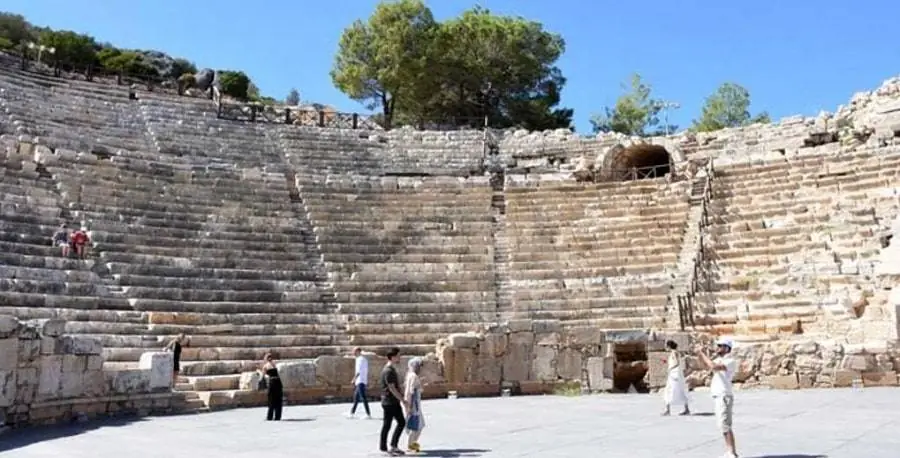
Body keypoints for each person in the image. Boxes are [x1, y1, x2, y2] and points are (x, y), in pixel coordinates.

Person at [696, 338, 739, 458]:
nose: (718, 348)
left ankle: (732, 452)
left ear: (726, 348)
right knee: (722, 425)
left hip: (724, 395)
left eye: (720, 346)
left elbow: (714, 367)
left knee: (725, 425)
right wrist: (700, 354)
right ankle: (729, 451)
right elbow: (706, 366)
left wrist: (703, 354)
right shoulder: (719, 359)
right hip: (718, 395)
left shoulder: (730, 361)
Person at [379, 347, 409, 456]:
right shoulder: (389, 371)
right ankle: (393, 446)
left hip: (387, 401)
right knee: (401, 423)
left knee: (387, 424)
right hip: (391, 402)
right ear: (392, 357)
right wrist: (403, 400)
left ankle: (384, 447)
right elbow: (392, 388)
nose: (399, 357)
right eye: (398, 355)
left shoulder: (388, 369)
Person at [662, 340, 690, 416]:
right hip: (676, 373)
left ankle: (668, 410)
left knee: (669, 389)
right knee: (680, 389)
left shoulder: (674, 352)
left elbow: (677, 362)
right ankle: (686, 409)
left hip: (674, 373)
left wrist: (671, 368)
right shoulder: (675, 352)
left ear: (669, 346)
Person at [403, 357, 426, 453]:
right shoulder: (413, 376)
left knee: (418, 424)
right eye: (418, 366)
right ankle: (411, 445)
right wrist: (410, 406)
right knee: (418, 425)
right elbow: (412, 392)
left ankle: (413, 444)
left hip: (413, 403)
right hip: (414, 404)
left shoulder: (410, 375)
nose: (420, 368)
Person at [349, 347, 372, 419]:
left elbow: (358, 371)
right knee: (356, 398)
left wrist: (353, 379)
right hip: (361, 381)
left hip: (360, 381)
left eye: (354, 351)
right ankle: (352, 413)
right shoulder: (362, 359)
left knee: (363, 398)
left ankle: (368, 414)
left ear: (358, 351)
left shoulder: (360, 360)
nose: (353, 353)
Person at [259, 353, 283, 421]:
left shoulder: (265, 366)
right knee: (278, 400)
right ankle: (277, 416)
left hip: (272, 383)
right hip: (278, 383)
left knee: (271, 400)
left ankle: (270, 417)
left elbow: (262, 376)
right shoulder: (275, 364)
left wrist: (258, 372)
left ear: (266, 359)